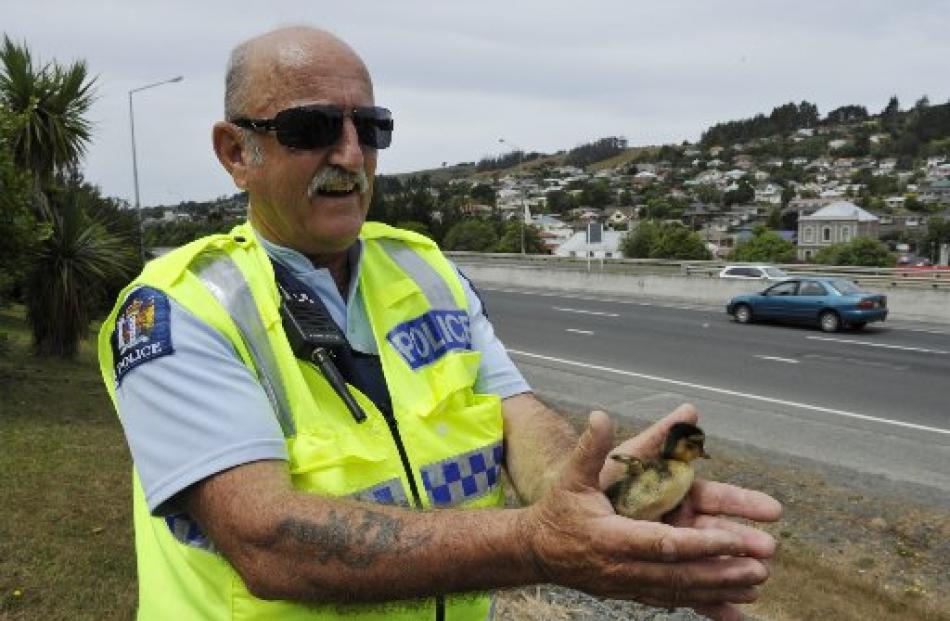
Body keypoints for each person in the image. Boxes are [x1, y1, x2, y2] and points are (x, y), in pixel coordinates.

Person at [97, 25, 781, 621]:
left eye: (370, 128)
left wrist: (592, 495)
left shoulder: (425, 269)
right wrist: (537, 544)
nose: (348, 154)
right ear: (236, 152)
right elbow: (266, 540)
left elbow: (518, 416)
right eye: (310, 129)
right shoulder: (179, 308)